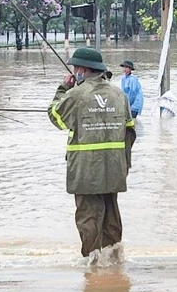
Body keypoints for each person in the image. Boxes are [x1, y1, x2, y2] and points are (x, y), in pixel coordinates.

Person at [48, 48, 135, 258]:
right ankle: (114, 260)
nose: (74, 71)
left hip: (86, 170)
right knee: (111, 217)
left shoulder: (76, 94)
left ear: (82, 70)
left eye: (75, 68)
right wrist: (122, 162)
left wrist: (62, 88)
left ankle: (93, 264)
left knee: (89, 219)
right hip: (114, 168)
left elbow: (55, 117)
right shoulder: (118, 94)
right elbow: (130, 131)